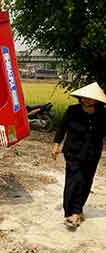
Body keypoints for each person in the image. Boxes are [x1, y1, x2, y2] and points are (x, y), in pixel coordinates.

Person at [51, 82, 106, 229]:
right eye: (84, 97)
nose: (86, 99)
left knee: (87, 181)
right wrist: (56, 145)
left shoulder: (103, 114)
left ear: (97, 100)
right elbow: (62, 128)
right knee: (74, 180)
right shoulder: (72, 110)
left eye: (90, 98)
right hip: (73, 152)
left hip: (93, 153)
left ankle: (78, 209)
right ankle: (72, 213)